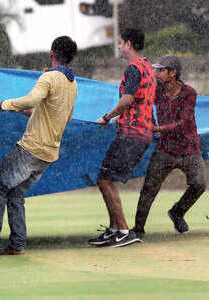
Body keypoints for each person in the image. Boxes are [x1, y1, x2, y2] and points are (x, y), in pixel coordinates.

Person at [0, 36, 78, 256]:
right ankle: (17, 245)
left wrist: (5, 104)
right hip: (49, 152)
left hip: (31, 147)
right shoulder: (72, 83)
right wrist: (28, 112)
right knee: (15, 194)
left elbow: (32, 100)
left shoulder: (49, 77)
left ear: (52, 54)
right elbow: (62, 116)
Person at [89, 28, 156, 248]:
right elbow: (141, 102)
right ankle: (115, 229)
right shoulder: (148, 67)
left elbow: (127, 100)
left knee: (104, 179)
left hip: (132, 134)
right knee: (106, 178)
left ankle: (124, 231)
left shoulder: (133, 69)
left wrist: (107, 117)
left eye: (120, 43)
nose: (118, 47)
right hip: (141, 133)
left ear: (128, 44)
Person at [133, 54, 206, 236]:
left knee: (199, 184)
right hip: (165, 149)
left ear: (173, 73)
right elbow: (144, 105)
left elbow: (185, 122)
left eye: (161, 70)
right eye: (156, 69)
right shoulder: (155, 91)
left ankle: (177, 213)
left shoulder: (189, 93)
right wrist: (148, 121)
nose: (156, 73)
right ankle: (138, 230)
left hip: (189, 149)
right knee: (149, 188)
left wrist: (158, 128)